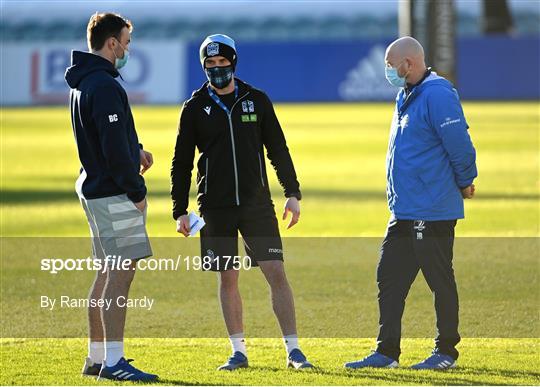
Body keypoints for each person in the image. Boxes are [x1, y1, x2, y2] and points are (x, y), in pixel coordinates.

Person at [171, 34, 314, 371]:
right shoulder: (193, 108)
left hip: (257, 205)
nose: (217, 69)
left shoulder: (257, 100)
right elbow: (181, 162)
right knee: (228, 278)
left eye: (222, 63)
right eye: (210, 65)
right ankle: (238, 351)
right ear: (203, 67)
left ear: (233, 63)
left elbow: (278, 149)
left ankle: (294, 350)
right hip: (215, 208)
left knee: (276, 272)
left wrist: (292, 193)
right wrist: (179, 209)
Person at [345, 36, 477, 370]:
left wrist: (466, 179)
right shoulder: (406, 94)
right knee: (388, 278)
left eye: (391, 64)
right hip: (404, 209)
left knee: (438, 279)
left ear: (410, 63)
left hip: (430, 210)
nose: (387, 69)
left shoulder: (437, 93)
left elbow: (458, 141)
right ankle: (386, 352)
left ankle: (446, 351)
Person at [65, 12, 158, 382]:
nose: (128, 48)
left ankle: (97, 357)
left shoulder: (85, 81)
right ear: (111, 43)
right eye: (126, 42)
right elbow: (111, 147)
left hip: (95, 187)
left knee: (107, 272)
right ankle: (114, 363)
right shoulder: (103, 84)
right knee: (120, 275)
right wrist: (136, 190)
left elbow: (108, 137)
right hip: (113, 191)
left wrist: (134, 147)